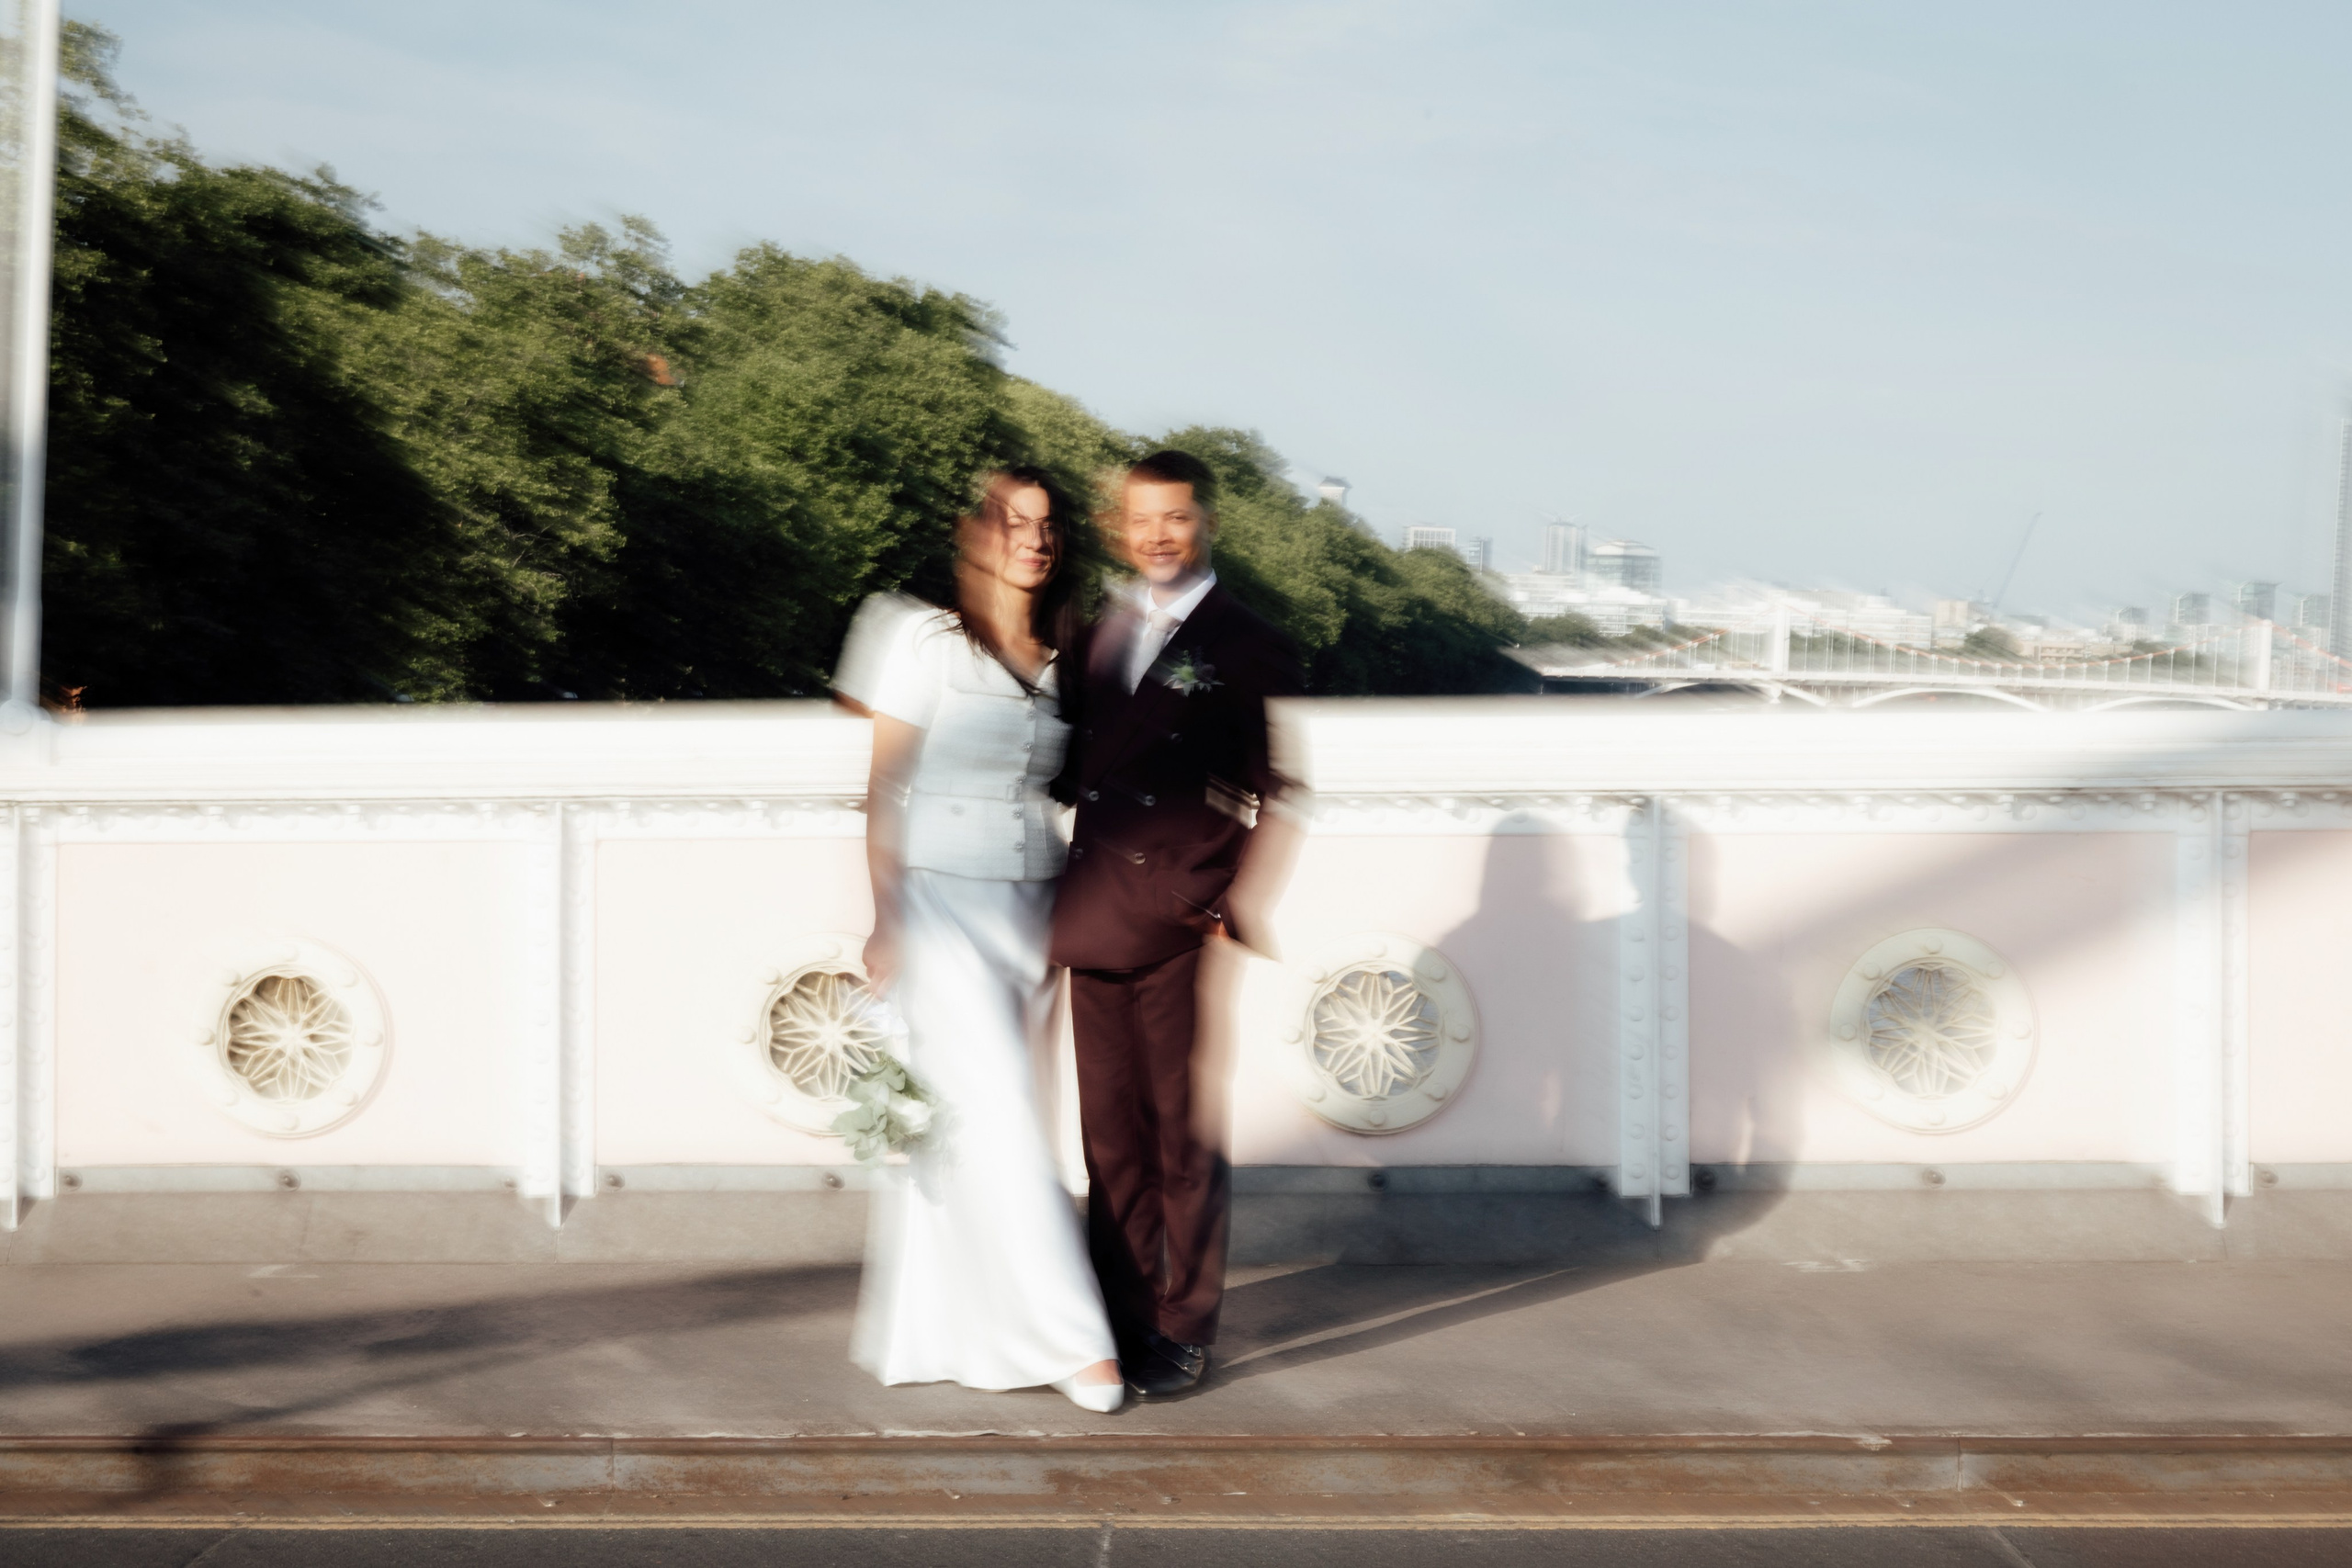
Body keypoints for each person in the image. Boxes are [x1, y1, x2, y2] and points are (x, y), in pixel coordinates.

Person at [842, 468, 1125, 1415]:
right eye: (1015, 524)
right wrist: (886, 915)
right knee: (998, 1115)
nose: (1033, 542)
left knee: (990, 1123)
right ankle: (1070, 1338)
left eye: (1046, 528)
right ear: (976, 534)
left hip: (1033, 915)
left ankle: (947, 1328)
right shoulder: (917, 639)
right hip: (941, 909)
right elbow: (882, 788)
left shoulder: (1063, 655)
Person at [1050, 449, 1304, 1400]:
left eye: (1178, 518)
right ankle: (1114, 1313)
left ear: (1205, 525)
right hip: (1087, 911)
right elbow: (1064, 760)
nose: (1159, 535)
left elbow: (1280, 790)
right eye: (1142, 518)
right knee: (1106, 1133)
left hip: (1182, 914)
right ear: (1121, 525)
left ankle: (1185, 1323)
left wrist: (1235, 897)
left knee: (1179, 1134)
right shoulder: (1093, 629)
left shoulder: (1245, 638)